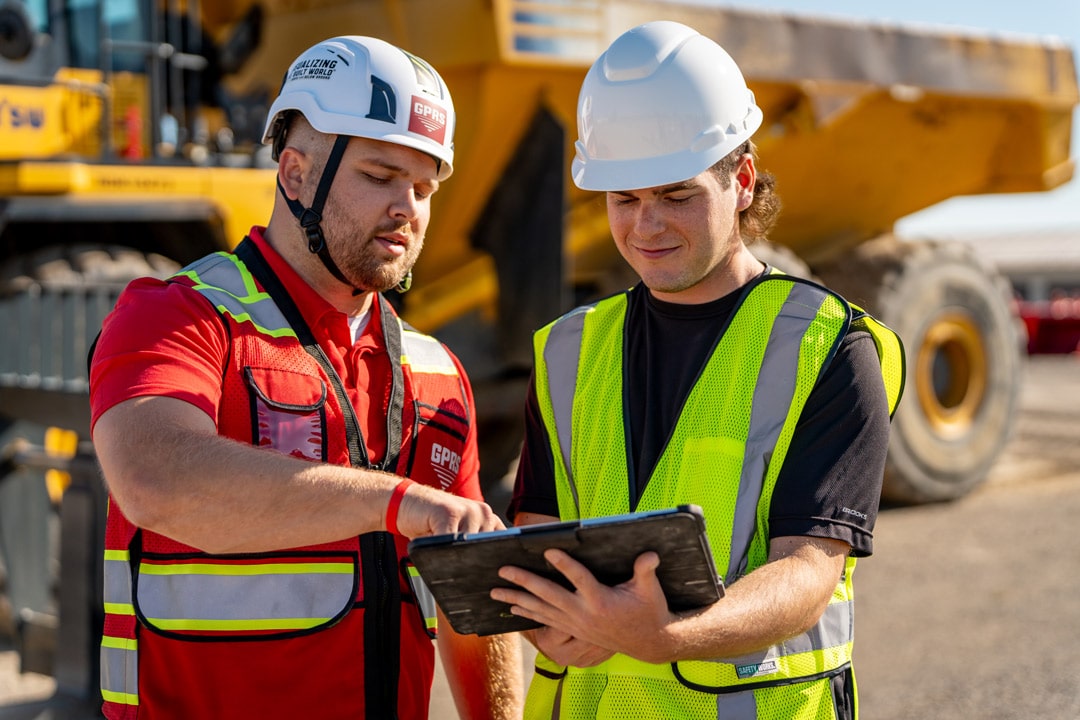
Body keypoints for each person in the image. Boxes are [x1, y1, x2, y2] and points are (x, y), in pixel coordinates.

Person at [89, 35, 522, 720]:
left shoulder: (438, 373)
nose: (407, 207)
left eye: (424, 186)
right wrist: (397, 503)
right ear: (294, 175)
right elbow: (154, 479)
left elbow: (469, 606)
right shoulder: (178, 317)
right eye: (380, 177)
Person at [491, 20, 905, 720]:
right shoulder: (566, 351)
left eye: (675, 194)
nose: (646, 227)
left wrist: (669, 636)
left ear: (740, 181)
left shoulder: (828, 345)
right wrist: (543, 616)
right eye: (624, 200)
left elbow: (809, 569)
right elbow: (540, 531)